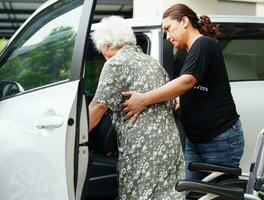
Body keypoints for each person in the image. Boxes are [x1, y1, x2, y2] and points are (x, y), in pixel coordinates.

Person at [122, 4, 245, 181]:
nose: (167, 36)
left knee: (220, 194)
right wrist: (183, 100)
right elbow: (196, 85)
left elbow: (187, 81)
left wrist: (144, 99)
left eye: (168, 29)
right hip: (195, 140)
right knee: (190, 191)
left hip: (219, 139)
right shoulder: (191, 52)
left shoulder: (204, 44)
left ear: (185, 21)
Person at [88, 16, 184, 200]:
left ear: (107, 46)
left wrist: (75, 136)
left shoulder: (115, 64)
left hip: (142, 153)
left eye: (101, 50)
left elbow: (98, 107)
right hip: (170, 147)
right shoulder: (153, 63)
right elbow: (172, 104)